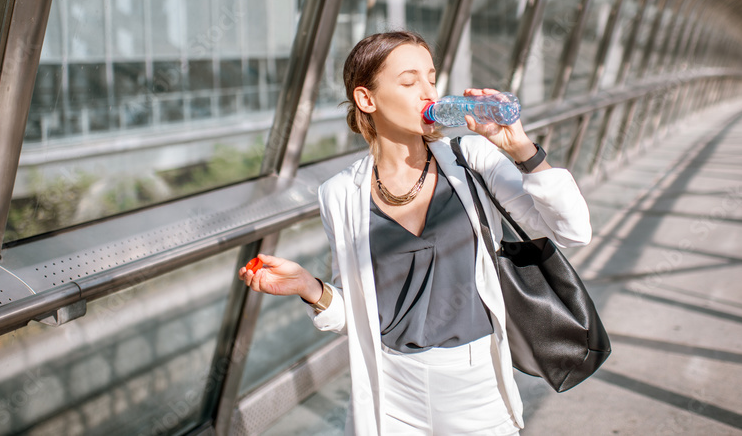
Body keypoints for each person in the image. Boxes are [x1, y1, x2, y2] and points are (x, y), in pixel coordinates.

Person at [239, 31, 591, 435]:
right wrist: (308, 287)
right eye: (409, 82)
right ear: (366, 100)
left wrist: (522, 149)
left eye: (431, 78)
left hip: (477, 389)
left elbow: (572, 231)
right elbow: (359, 316)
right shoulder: (340, 194)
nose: (427, 92)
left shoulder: (472, 159)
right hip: (392, 395)